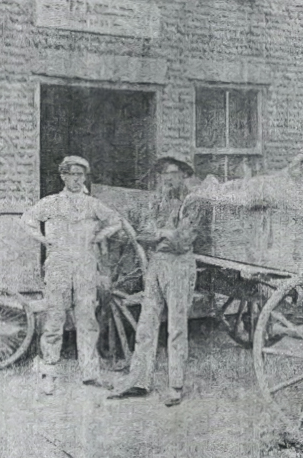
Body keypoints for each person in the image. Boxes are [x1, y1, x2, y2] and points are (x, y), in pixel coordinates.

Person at [22, 156, 123, 394]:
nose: (77, 179)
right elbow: (27, 220)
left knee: (87, 317)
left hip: (85, 264)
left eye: (81, 175)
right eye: (72, 174)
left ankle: (90, 372)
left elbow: (115, 221)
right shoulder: (52, 202)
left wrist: (99, 237)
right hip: (58, 263)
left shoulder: (91, 204)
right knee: (55, 315)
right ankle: (49, 372)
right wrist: (44, 239)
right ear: (63, 176)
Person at [109, 155, 204, 407]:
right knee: (146, 323)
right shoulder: (157, 201)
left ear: (184, 175)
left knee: (176, 327)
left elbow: (183, 240)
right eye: (163, 174)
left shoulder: (193, 203)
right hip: (157, 263)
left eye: (173, 173)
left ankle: (175, 386)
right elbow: (143, 233)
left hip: (180, 265)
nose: (167, 179)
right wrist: (161, 234)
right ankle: (139, 379)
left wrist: (160, 234)